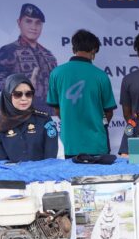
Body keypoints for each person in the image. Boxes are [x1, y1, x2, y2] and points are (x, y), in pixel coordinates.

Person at [46, 29, 117, 158]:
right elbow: (109, 112)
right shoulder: (101, 76)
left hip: (68, 145)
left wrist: (71, 120)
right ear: (94, 50)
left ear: (74, 49)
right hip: (97, 145)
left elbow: (57, 110)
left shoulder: (56, 73)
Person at [0, 3, 58, 115]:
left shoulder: (48, 55)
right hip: (21, 115)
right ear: (19, 22)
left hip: (49, 116)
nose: (34, 27)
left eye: (38, 23)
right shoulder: (9, 50)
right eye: (28, 21)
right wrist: (21, 87)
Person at [0, 73, 58, 162]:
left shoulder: (44, 120)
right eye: (17, 94)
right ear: (8, 95)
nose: (24, 98)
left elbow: (50, 158)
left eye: (28, 94)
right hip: (10, 175)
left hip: (41, 174)